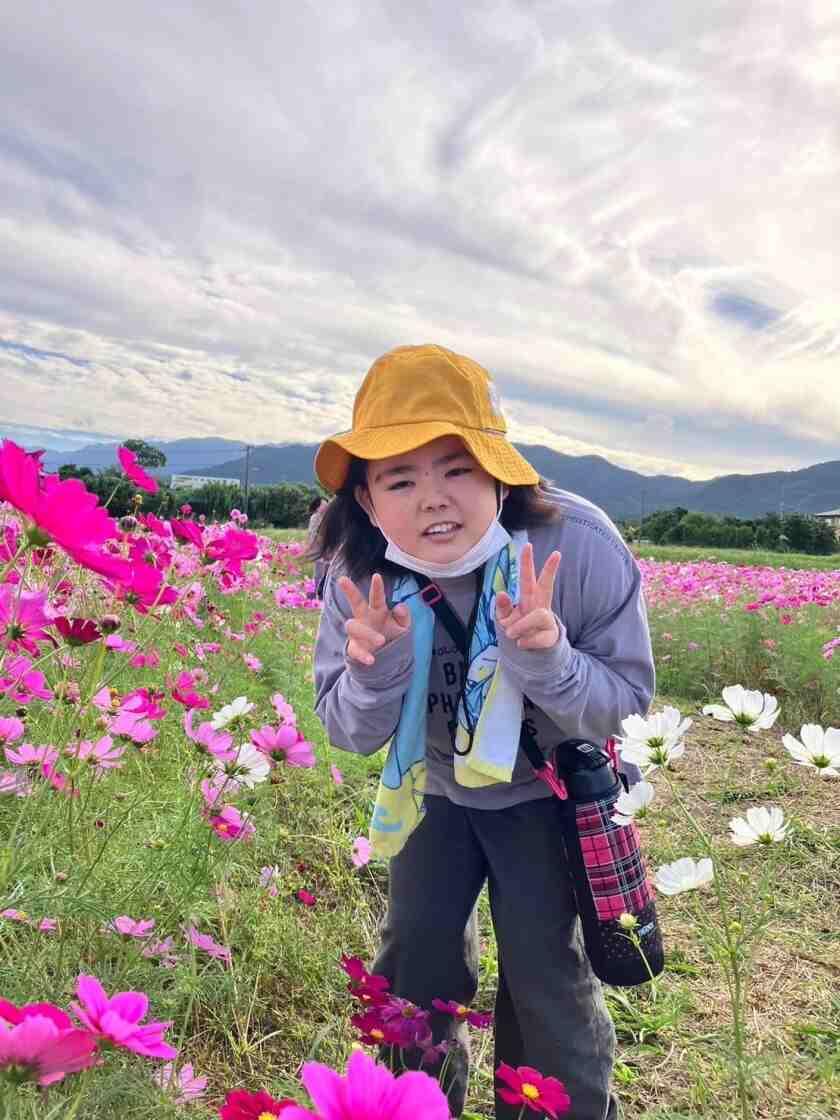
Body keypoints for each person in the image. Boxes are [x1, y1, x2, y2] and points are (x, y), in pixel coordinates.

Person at [311, 343, 654, 1120]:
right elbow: (348, 731)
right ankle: (413, 1108)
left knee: (548, 987)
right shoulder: (359, 574)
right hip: (432, 791)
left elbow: (630, 709)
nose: (434, 499)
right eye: (401, 478)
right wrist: (376, 670)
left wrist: (550, 659)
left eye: (456, 468)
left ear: (503, 472)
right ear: (366, 501)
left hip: (547, 793)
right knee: (413, 973)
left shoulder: (580, 546)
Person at [306, 496, 330, 595]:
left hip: (327, 549)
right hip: (319, 549)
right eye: (323, 505)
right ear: (317, 507)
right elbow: (313, 534)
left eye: (326, 504)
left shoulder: (326, 517)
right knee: (319, 573)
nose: (325, 506)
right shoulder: (315, 517)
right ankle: (312, 593)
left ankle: (321, 593)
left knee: (326, 572)